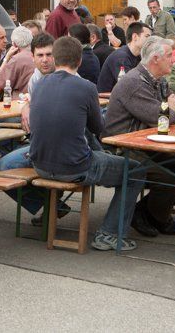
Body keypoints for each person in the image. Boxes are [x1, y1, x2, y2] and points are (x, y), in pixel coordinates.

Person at [29, 37, 146, 251]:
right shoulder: (86, 87)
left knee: (82, 139)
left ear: (54, 59)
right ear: (80, 61)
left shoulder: (39, 84)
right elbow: (98, 128)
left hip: (40, 165)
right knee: (136, 172)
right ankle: (109, 234)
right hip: (74, 168)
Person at [103, 37, 175, 237]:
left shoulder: (159, 80)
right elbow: (160, 117)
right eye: (169, 56)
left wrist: (171, 109)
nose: (173, 60)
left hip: (148, 143)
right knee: (170, 177)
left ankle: (149, 213)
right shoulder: (134, 82)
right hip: (123, 146)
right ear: (155, 59)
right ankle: (149, 215)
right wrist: (170, 109)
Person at [0, 33, 66, 225]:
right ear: (32, 57)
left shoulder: (65, 77)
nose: (45, 60)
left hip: (57, 149)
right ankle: (50, 204)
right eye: (40, 55)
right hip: (40, 143)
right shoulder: (36, 78)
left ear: (56, 55)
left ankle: (50, 204)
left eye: (49, 54)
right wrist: (26, 106)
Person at [96, 22, 152, 93]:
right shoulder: (121, 57)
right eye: (147, 36)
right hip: (108, 97)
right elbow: (129, 85)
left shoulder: (139, 56)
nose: (150, 41)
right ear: (135, 37)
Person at [0, 25, 35, 93]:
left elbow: (1, 83)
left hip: (20, 97)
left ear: (14, 44)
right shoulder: (38, 55)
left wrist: (6, 59)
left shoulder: (16, 59)